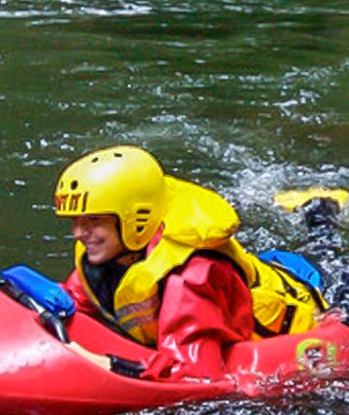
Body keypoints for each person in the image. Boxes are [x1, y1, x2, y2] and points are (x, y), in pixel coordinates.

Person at [52, 144, 329, 381]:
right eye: (76, 221)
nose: (78, 233)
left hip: (300, 302)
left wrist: (113, 365)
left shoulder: (191, 278)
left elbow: (195, 373)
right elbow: (76, 300)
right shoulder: (110, 252)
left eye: (93, 220)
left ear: (133, 219)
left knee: (327, 256)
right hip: (262, 269)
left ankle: (321, 212)